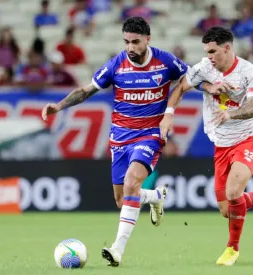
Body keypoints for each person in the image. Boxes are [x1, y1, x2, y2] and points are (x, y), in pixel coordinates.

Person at [41, 17, 189, 267]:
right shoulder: (116, 65)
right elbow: (86, 90)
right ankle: (153, 197)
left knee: (132, 181)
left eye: (136, 42)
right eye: (127, 42)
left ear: (148, 40)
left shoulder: (165, 61)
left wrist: (171, 112)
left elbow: (189, 78)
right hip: (120, 138)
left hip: (150, 134)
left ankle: (117, 249)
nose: (130, 47)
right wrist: (59, 106)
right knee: (122, 200)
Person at [159, 26, 253, 266]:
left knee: (234, 192)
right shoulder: (205, 68)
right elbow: (181, 87)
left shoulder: (247, 71)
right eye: (206, 52)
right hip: (221, 146)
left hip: (247, 139)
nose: (209, 57)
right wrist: (168, 113)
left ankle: (232, 249)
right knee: (228, 209)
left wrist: (232, 115)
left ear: (227, 48)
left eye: (213, 52)